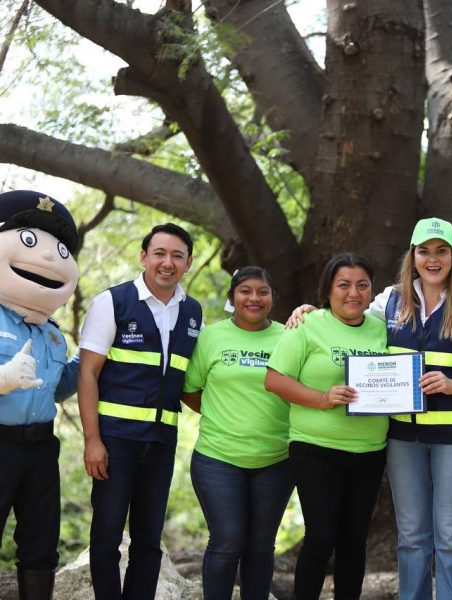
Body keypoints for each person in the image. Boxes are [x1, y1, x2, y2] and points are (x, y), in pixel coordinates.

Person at [288, 218, 452, 599]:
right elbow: (350, 319)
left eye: (441, 251)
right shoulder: (389, 300)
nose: (433, 259)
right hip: (404, 437)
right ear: (413, 256)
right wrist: (314, 310)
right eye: (424, 251)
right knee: (411, 536)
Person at [77, 223, 202, 600]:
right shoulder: (112, 302)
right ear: (143, 256)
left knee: (148, 541)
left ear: (189, 263)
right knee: (106, 537)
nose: (168, 262)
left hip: (162, 442)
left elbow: (188, 382)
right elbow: (87, 372)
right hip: (115, 441)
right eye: (159, 253)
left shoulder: (193, 312)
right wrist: (92, 440)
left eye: (177, 256)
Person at [265, 252, 388, 600]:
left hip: (369, 451)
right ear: (328, 290)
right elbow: (274, 380)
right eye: (344, 285)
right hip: (316, 448)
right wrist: (322, 397)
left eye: (362, 285)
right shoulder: (308, 325)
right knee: (321, 537)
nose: (354, 293)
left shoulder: (382, 328)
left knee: (354, 540)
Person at [182, 266, 293, 600]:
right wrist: (223, 413)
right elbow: (189, 389)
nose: (254, 298)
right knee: (227, 540)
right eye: (245, 291)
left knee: (261, 546)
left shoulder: (289, 336)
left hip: (277, 460)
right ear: (232, 298)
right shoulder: (211, 337)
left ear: (273, 298)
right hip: (218, 459)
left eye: (263, 291)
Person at [0, 190, 80, 600]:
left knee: (41, 543)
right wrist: (2, 378)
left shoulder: (53, 333)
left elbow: (58, 389)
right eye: (31, 240)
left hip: (41, 447)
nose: (49, 257)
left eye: (60, 249)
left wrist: (84, 360)